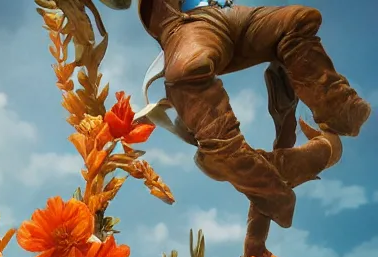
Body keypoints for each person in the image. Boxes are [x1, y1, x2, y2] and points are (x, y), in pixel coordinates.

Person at [97, 0, 371, 228]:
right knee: (187, 69)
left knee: (299, 20)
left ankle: (340, 109)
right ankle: (231, 158)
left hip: (229, 14)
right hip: (188, 24)